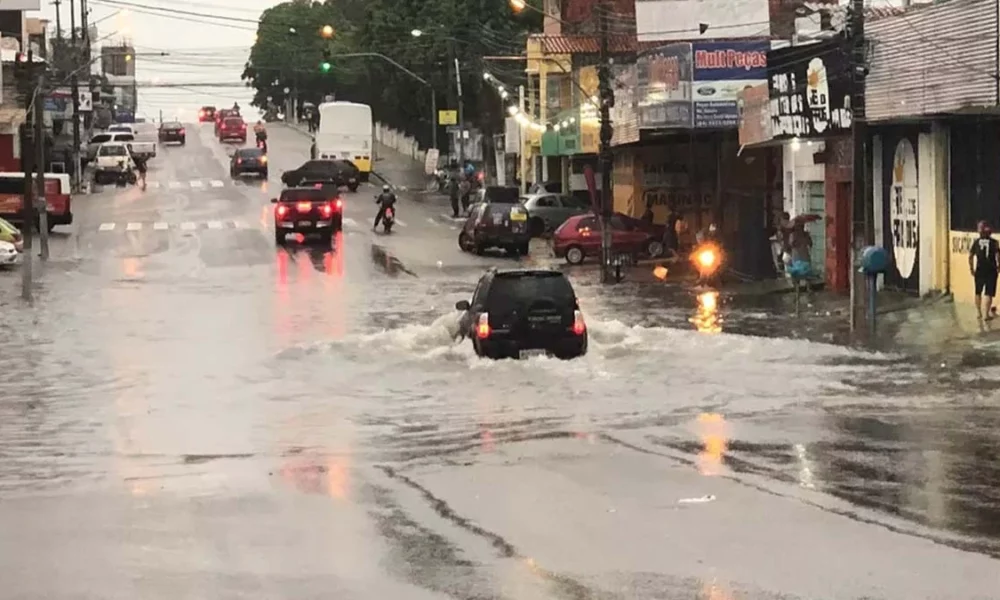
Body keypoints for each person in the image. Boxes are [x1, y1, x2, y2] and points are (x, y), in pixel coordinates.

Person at [969, 220, 1000, 320]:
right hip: (991, 269)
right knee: (989, 292)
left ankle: (979, 313)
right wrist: (999, 267)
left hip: (979, 269)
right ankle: (986, 314)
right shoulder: (994, 242)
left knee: (978, 291)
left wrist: (971, 268)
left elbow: (970, 256)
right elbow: (998, 256)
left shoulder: (976, 242)